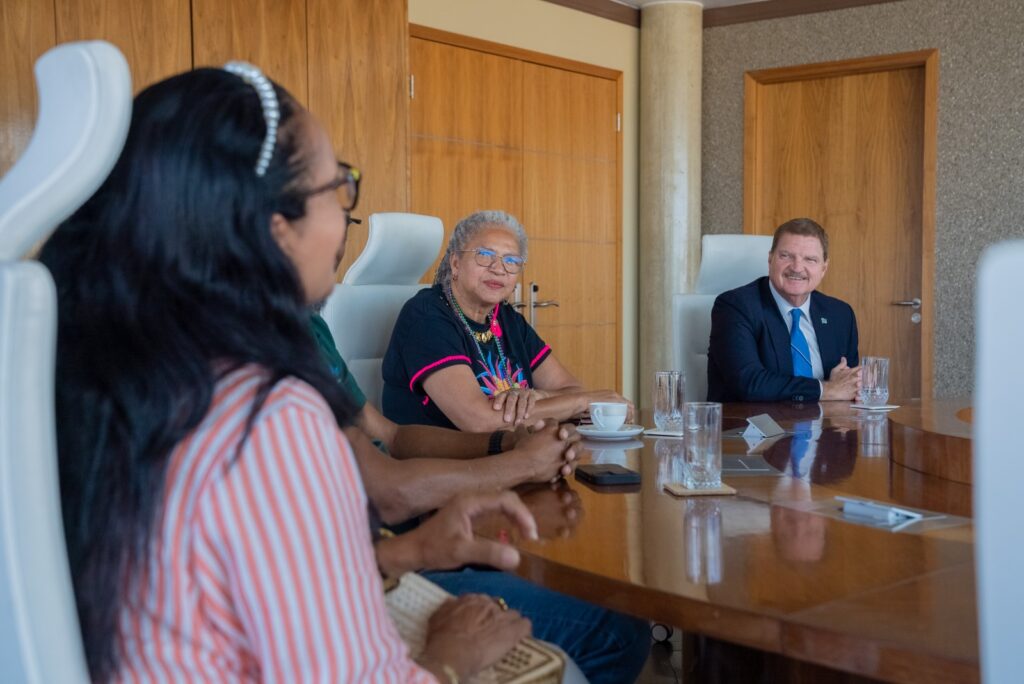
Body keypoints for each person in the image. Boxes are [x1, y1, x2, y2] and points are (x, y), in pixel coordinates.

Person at [39, 63, 536, 683]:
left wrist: (406, 551)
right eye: (339, 187)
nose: (346, 219)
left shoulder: (137, 371)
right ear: (277, 229)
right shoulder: (268, 415)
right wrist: (451, 655)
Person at [312, 312, 652, 683]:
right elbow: (386, 493)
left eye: (510, 272)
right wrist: (521, 464)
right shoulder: (423, 319)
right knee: (618, 631)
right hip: (354, 587)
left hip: (386, 556)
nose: (501, 279)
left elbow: (391, 437)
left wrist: (507, 442)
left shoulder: (309, 327)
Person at [382, 210, 629, 430]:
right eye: (485, 255)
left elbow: (571, 389)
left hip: (509, 456)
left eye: (511, 261)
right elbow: (478, 420)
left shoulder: (507, 319)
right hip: (443, 462)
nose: (499, 269)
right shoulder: (426, 317)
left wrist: (540, 396)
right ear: (455, 263)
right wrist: (582, 402)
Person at [706, 218, 861, 403]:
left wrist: (850, 387)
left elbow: (849, 386)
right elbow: (749, 383)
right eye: (786, 256)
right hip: (751, 420)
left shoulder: (840, 314)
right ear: (770, 259)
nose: (797, 267)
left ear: (823, 269)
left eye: (810, 259)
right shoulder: (735, 307)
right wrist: (826, 389)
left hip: (828, 420)